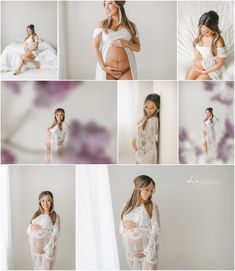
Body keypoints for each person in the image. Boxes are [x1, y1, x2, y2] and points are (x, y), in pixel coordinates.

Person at [120, 175, 160, 270]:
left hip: (147, 252)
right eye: (147, 189)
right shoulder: (126, 206)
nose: (150, 193)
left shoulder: (152, 206)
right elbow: (121, 227)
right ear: (139, 188)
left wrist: (147, 251)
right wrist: (124, 224)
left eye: (151, 191)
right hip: (131, 254)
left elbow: (156, 229)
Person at [93, 1, 140, 80]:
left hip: (127, 70)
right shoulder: (102, 24)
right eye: (105, 4)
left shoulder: (131, 26)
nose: (106, 7)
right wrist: (103, 67)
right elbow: (95, 47)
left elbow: (138, 47)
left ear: (118, 4)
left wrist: (127, 44)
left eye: (110, 3)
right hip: (108, 70)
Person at [186, 11, 226, 80]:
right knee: (187, 81)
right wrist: (196, 52)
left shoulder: (218, 41)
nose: (204, 33)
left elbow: (220, 63)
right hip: (198, 66)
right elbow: (194, 43)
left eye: (207, 31)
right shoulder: (200, 32)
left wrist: (205, 71)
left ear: (214, 29)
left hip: (210, 71)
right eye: (202, 30)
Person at [27, 191, 60, 270]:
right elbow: (28, 231)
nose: (45, 203)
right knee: (37, 268)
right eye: (43, 201)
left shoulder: (54, 215)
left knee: (46, 269)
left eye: (48, 200)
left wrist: (46, 249)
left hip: (48, 249)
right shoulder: (36, 214)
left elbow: (56, 233)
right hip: (35, 250)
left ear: (52, 201)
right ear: (40, 202)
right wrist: (32, 227)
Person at [132, 94, 160, 164]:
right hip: (141, 152)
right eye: (146, 107)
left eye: (152, 108)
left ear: (157, 107)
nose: (148, 110)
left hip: (144, 155)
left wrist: (137, 151)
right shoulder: (147, 118)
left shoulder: (153, 120)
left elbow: (150, 143)